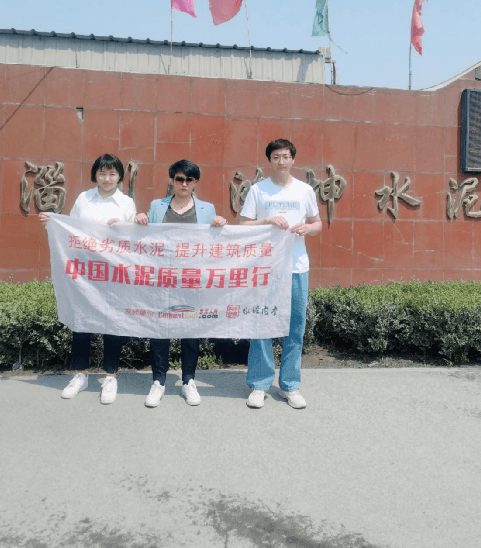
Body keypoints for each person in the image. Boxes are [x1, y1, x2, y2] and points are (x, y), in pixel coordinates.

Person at [39, 153, 136, 404]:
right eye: (102, 173)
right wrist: (52, 221)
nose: (107, 178)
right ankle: (80, 374)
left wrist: (122, 227)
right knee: (82, 322)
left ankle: (110, 376)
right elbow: (71, 229)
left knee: (112, 323)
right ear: (95, 175)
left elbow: (133, 239)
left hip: (113, 273)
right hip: (85, 271)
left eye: (112, 174)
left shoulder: (126, 203)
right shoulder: (84, 199)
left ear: (119, 176)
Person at [135, 159, 227, 408]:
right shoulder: (157, 206)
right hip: (162, 278)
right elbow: (145, 237)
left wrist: (220, 225)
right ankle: (158, 381)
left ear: (195, 182)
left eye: (189, 180)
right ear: (171, 181)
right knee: (160, 331)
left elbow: (214, 243)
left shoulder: (207, 209)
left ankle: (188, 381)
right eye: (179, 179)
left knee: (190, 332)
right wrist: (140, 219)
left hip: (192, 280)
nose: (184, 184)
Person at [240, 139, 322, 409]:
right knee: (261, 324)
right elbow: (243, 224)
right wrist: (267, 220)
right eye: (276, 157)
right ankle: (259, 384)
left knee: (295, 327)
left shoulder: (304, 190)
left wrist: (307, 228)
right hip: (265, 268)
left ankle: (290, 385)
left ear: (293, 160)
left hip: (296, 266)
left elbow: (317, 223)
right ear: (270, 160)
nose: (281, 161)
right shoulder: (258, 190)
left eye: (286, 156)